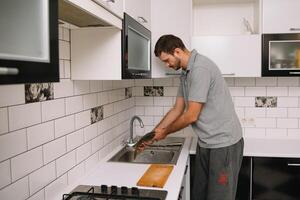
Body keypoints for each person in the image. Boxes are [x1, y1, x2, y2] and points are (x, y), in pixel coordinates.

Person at [148, 34, 244, 200]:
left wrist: (165, 132)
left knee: (219, 197)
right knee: (200, 194)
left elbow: (191, 116)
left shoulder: (201, 69)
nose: (167, 65)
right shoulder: (186, 73)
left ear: (177, 51)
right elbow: (177, 109)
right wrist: (152, 135)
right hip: (206, 142)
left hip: (224, 144)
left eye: (166, 60)